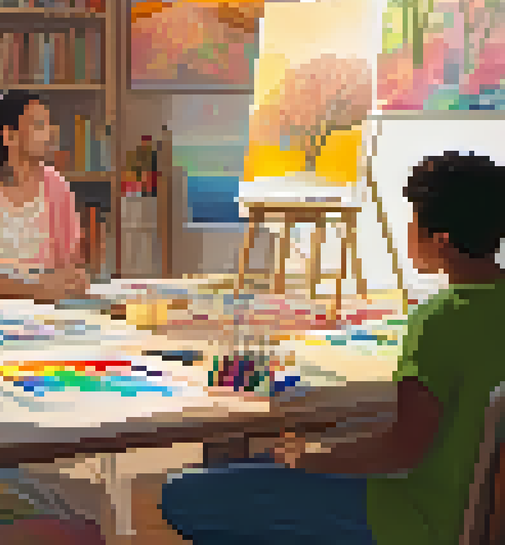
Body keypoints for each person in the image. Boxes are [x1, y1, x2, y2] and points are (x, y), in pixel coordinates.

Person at [161, 150, 505, 545]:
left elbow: (401, 450)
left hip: (414, 519)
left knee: (183, 493)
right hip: (482, 517)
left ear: (441, 241)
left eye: (414, 221)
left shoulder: (439, 321)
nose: (408, 230)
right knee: (252, 467)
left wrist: (309, 456)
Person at [0, 90, 87, 303]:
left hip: (47, 311)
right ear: (9, 135)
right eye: (38, 125)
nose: (48, 133)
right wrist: (40, 289)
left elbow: (68, 265)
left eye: (48, 125)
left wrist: (74, 279)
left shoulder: (57, 186)